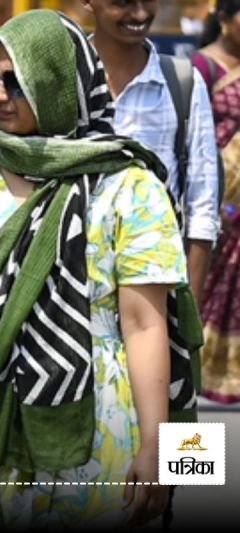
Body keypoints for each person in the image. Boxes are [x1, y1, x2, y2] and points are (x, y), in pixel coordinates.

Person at [0, 9, 202, 529]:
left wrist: (158, 450)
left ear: (61, 85)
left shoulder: (131, 188)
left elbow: (145, 325)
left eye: (18, 82)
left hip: (101, 426)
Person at [83, 0, 221, 309]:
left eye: (148, 0)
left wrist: (187, 314)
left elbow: (201, 208)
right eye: (122, 3)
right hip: (71, 291)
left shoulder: (182, 83)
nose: (140, 14)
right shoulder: (65, 82)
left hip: (156, 291)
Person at [192, 0, 240, 405]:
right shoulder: (201, 69)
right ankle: (192, 373)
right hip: (218, 204)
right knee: (208, 293)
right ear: (224, 18)